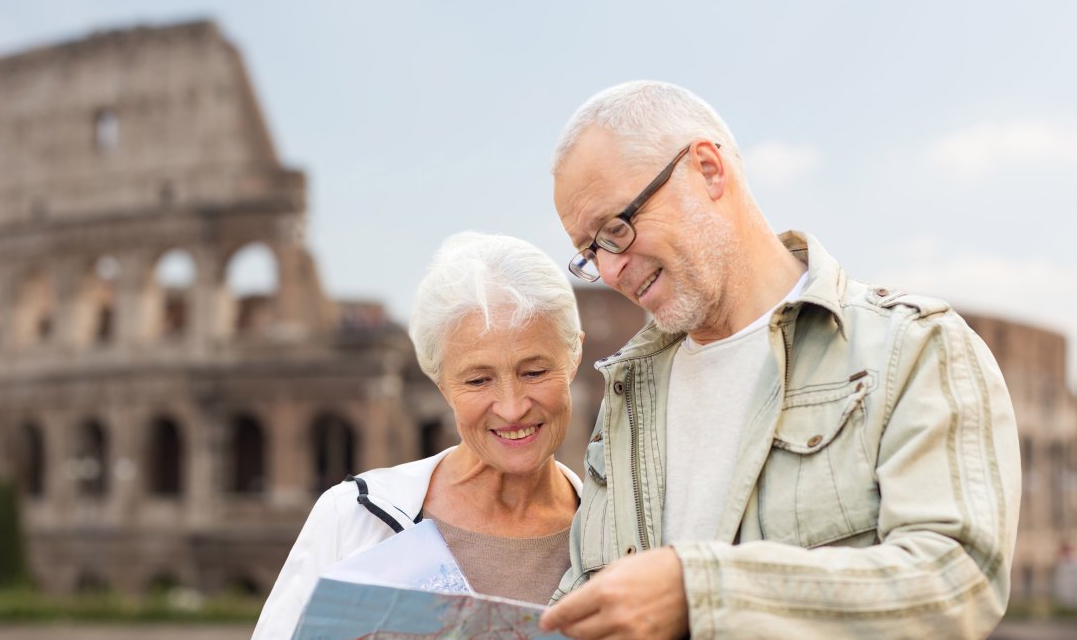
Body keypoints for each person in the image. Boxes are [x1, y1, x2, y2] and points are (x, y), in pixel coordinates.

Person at [538, 81, 1021, 639]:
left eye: (617, 229)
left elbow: (957, 581)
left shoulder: (913, 347)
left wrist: (703, 593)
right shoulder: (627, 395)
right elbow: (585, 595)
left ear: (708, 170)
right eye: (590, 252)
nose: (613, 269)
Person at [252, 232, 585, 639]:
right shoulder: (352, 518)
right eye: (478, 380)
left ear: (573, 358)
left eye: (534, 372)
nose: (512, 407)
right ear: (442, 384)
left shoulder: (619, 532)